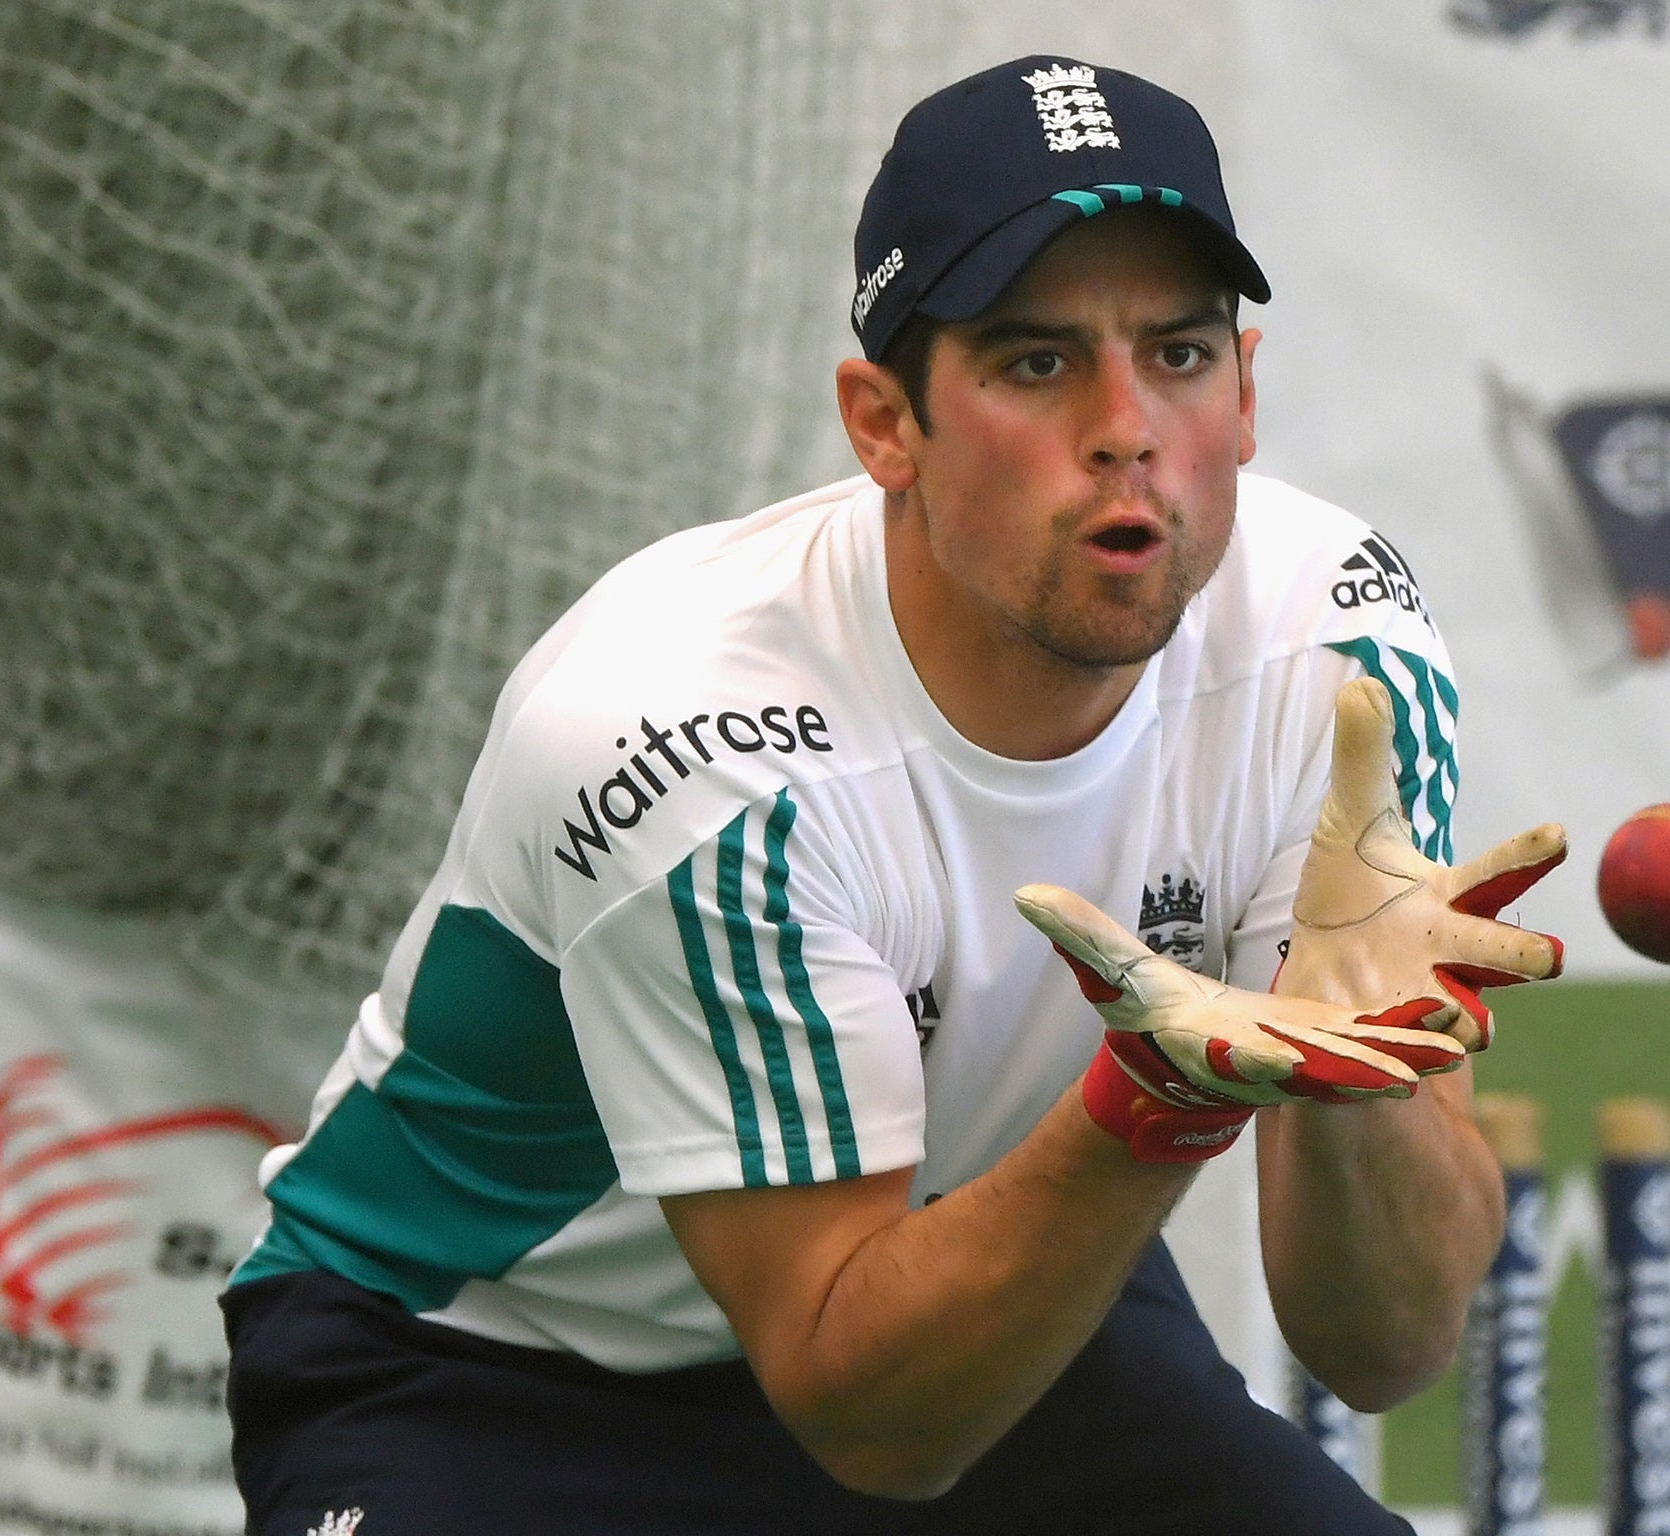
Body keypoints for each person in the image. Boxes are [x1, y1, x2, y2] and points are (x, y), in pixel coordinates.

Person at [220, 55, 1567, 1535]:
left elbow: (1385, 1347)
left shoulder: (1347, 659)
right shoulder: (691, 743)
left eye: (1178, 354)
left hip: (969, 1270)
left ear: (1246, 394)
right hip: (486, 1365)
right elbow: (872, 1425)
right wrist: (1160, 1102)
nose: (1127, 428)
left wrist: (1357, 1063)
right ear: (884, 424)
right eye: (1035, 363)